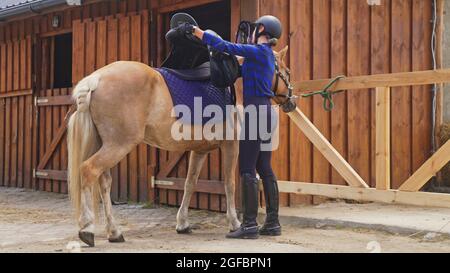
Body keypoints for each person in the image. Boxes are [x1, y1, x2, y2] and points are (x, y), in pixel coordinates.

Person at [178, 15, 283, 239]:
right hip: (267, 112)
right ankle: (273, 223)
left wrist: (200, 33)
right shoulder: (265, 57)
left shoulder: (257, 51)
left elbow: (226, 45)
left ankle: (249, 225)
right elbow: (235, 69)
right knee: (264, 167)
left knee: (246, 169)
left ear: (262, 29)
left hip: (255, 113)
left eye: (255, 29)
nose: (252, 33)